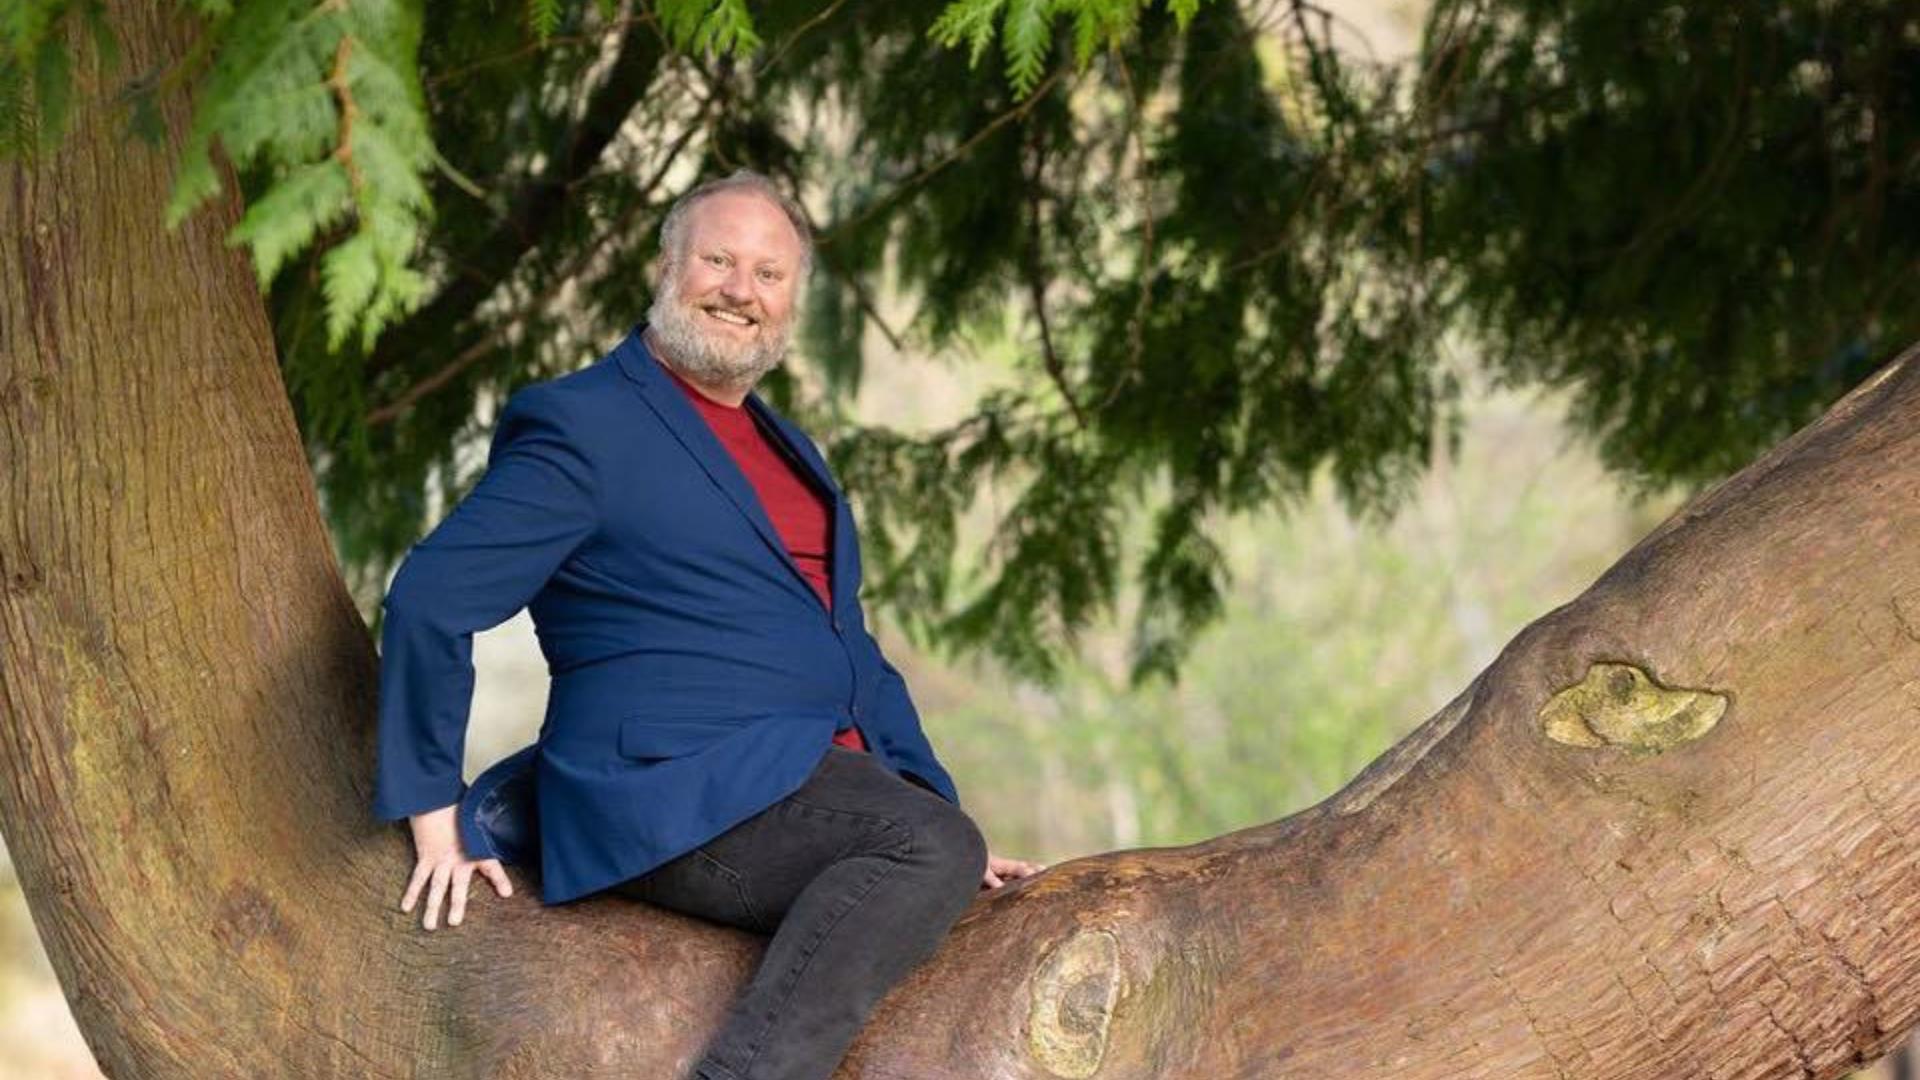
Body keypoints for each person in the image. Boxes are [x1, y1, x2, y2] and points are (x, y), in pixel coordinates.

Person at [371, 168, 1045, 1079]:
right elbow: (430, 597)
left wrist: (933, 810)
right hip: (662, 790)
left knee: (937, 841)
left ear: (790, 301)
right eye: (718, 260)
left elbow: (850, 653)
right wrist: (431, 811)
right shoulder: (585, 424)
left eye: (769, 274)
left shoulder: (788, 449)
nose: (741, 290)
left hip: (790, 786)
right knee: (929, 847)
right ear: (667, 268)